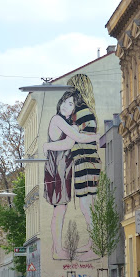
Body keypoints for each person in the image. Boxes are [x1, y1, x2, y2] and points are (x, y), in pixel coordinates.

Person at [44, 74, 101, 262]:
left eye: (71, 101)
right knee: (77, 207)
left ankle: (93, 246)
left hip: (82, 163)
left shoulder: (81, 113)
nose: (68, 105)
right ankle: (60, 248)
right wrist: (97, 136)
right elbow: (73, 140)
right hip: (65, 167)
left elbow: (77, 139)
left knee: (86, 206)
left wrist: (95, 136)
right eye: (65, 102)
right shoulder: (65, 118)